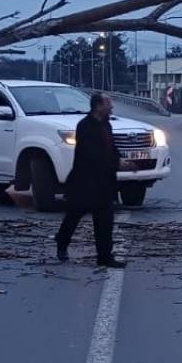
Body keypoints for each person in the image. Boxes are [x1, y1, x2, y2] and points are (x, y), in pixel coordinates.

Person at [55, 92, 126, 268]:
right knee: (74, 216)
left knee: (104, 220)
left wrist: (121, 159)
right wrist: (116, 163)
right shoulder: (85, 126)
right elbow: (93, 154)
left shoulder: (106, 124)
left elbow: (111, 147)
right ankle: (62, 242)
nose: (112, 107)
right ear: (98, 106)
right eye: (108, 103)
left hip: (104, 182)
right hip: (85, 182)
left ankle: (104, 257)